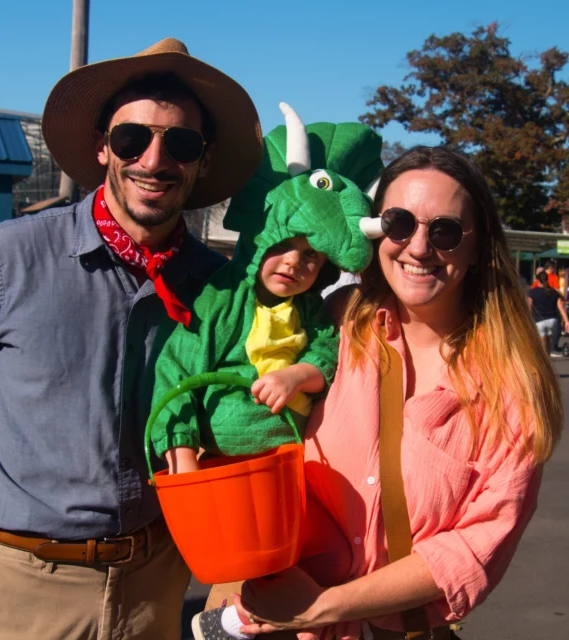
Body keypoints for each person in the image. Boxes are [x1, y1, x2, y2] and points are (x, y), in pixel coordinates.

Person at [0, 37, 263, 640]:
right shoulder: (10, 256)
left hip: (158, 587)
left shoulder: (222, 290)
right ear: (103, 147)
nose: (154, 160)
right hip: (21, 588)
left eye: (181, 143)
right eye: (133, 138)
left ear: (203, 162)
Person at [223, 146, 562, 640]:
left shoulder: (512, 383)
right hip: (266, 609)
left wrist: (322, 608)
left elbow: (475, 546)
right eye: (399, 223)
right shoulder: (334, 322)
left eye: (444, 230)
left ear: (476, 246)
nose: (419, 247)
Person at [147, 106, 383, 640]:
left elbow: (327, 351)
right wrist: (182, 463)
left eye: (313, 260)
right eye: (287, 246)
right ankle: (231, 621)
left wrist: (298, 374)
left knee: (301, 570)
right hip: (224, 470)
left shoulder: (311, 314)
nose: (296, 265)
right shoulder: (223, 300)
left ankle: (246, 620)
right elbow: (177, 371)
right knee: (246, 568)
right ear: (264, 234)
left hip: (287, 468)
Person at [528, 271, 569, 356]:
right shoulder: (554, 292)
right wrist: (567, 321)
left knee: (541, 344)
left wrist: (527, 319)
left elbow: (529, 307)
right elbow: (561, 307)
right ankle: (548, 356)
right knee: (548, 341)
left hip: (539, 321)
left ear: (538, 281)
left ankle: (544, 359)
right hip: (552, 321)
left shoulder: (532, 292)